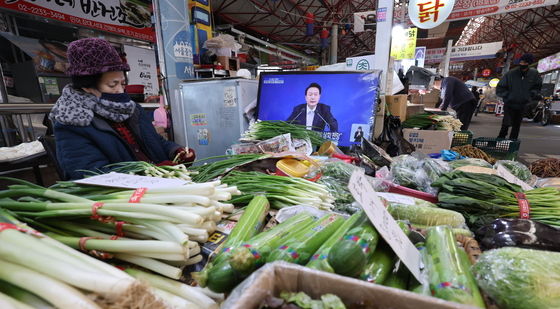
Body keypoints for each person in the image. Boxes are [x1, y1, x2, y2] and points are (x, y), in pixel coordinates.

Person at [49, 38, 195, 180]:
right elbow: (89, 173)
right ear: (87, 86)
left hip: (162, 184)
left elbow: (155, 142)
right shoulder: (73, 121)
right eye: (112, 85)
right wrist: (152, 173)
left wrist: (175, 151)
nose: (120, 90)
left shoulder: (131, 109)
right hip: (127, 197)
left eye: (122, 83)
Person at [496, 53, 543, 140]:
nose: (522, 64)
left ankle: (512, 144)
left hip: (523, 104)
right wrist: (508, 96)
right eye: (521, 62)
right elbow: (500, 87)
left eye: (525, 62)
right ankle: (500, 140)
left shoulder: (534, 74)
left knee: (516, 126)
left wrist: (531, 95)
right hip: (510, 104)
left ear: (529, 64)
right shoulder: (511, 74)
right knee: (506, 124)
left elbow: (537, 87)